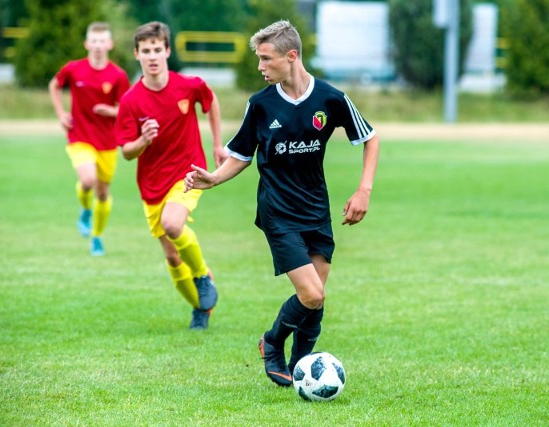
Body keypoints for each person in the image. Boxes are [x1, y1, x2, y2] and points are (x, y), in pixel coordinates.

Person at [184, 20, 379, 386]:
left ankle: (301, 365)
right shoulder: (260, 104)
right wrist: (213, 178)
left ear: (291, 57)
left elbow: (369, 138)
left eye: (265, 58)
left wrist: (363, 189)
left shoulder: (330, 99)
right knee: (312, 292)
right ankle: (272, 343)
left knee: (315, 301)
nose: (260, 66)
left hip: (317, 210)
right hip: (279, 213)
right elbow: (240, 154)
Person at [115, 21, 226, 330]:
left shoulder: (188, 86)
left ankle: (203, 275)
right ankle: (200, 308)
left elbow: (211, 101)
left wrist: (217, 143)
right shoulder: (131, 101)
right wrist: (143, 140)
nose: (152, 56)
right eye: (146, 51)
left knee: (173, 223)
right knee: (173, 257)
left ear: (167, 51)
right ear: (137, 54)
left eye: (157, 50)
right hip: (151, 185)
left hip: (188, 171)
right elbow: (126, 152)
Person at [49, 22, 131, 256]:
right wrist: (60, 113)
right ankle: (85, 210)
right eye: (93, 41)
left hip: (107, 141)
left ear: (110, 44)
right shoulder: (74, 69)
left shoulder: (117, 75)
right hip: (79, 136)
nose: (98, 45)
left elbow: (126, 109)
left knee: (103, 193)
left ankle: (97, 236)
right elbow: (54, 85)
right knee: (88, 180)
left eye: (102, 40)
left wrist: (110, 111)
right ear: (86, 44)